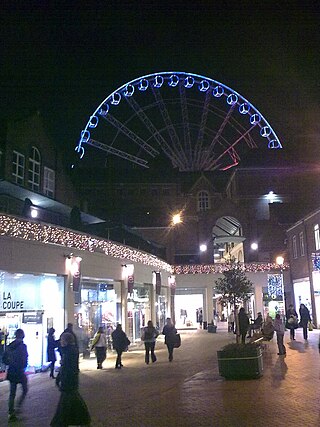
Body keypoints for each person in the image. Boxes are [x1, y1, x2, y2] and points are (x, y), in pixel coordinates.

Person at [50, 332, 91, 427]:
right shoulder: (70, 350)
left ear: (66, 341)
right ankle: (82, 420)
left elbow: (66, 367)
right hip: (69, 381)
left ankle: (62, 422)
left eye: (62, 340)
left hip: (69, 381)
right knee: (72, 401)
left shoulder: (69, 352)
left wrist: (61, 379)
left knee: (68, 403)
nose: (60, 342)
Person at [3, 329, 28, 422]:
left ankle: (11, 412)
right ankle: (18, 407)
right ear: (22, 335)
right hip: (19, 372)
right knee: (25, 389)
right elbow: (25, 359)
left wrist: (10, 363)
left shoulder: (10, 346)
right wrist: (23, 366)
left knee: (12, 393)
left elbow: (4, 358)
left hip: (12, 371)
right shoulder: (23, 346)